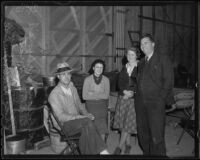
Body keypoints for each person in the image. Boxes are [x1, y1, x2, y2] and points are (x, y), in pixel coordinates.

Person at [48, 62, 110, 155]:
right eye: (63, 74)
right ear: (58, 77)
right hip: (64, 125)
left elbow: (80, 105)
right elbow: (61, 117)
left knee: (89, 124)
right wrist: (79, 117)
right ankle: (103, 151)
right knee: (87, 122)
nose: (66, 76)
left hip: (76, 122)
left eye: (68, 73)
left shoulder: (72, 88)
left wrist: (86, 114)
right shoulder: (54, 94)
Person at [135, 33, 174, 156]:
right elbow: (137, 82)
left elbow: (169, 80)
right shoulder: (141, 63)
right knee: (143, 133)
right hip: (141, 103)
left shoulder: (162, 59)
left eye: (145, 43)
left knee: (156, 134)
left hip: (156, 103)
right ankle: (148, 154)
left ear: (153, 44)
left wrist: (161, 98)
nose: (142, 46)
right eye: (141, 44)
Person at [113, 47, 139, 154]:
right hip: (122, 97)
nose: (129, 57)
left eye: (132, 54)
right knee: (123, 122)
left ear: (137, 56)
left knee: (127, 123)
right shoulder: (125, 67)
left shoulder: (140, 67)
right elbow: (120, 82)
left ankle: (119, 147)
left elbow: (140, 83)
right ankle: (128, 144)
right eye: (128, 54)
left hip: (133, 99)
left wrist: (132, 93)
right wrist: (124, 92)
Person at [82, 59, 110, 142]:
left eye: (101, 67)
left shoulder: (106, 80)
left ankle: (101, 146)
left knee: (102, 126)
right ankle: (92, 146)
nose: (99, 69)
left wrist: (92, 93)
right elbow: (84, 96)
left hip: (102, 105)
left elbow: (106, 96)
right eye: (97, 67)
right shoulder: (87, 79)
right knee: (92, 126)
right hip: (91, 105)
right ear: (93, 68)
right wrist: (99, 95)